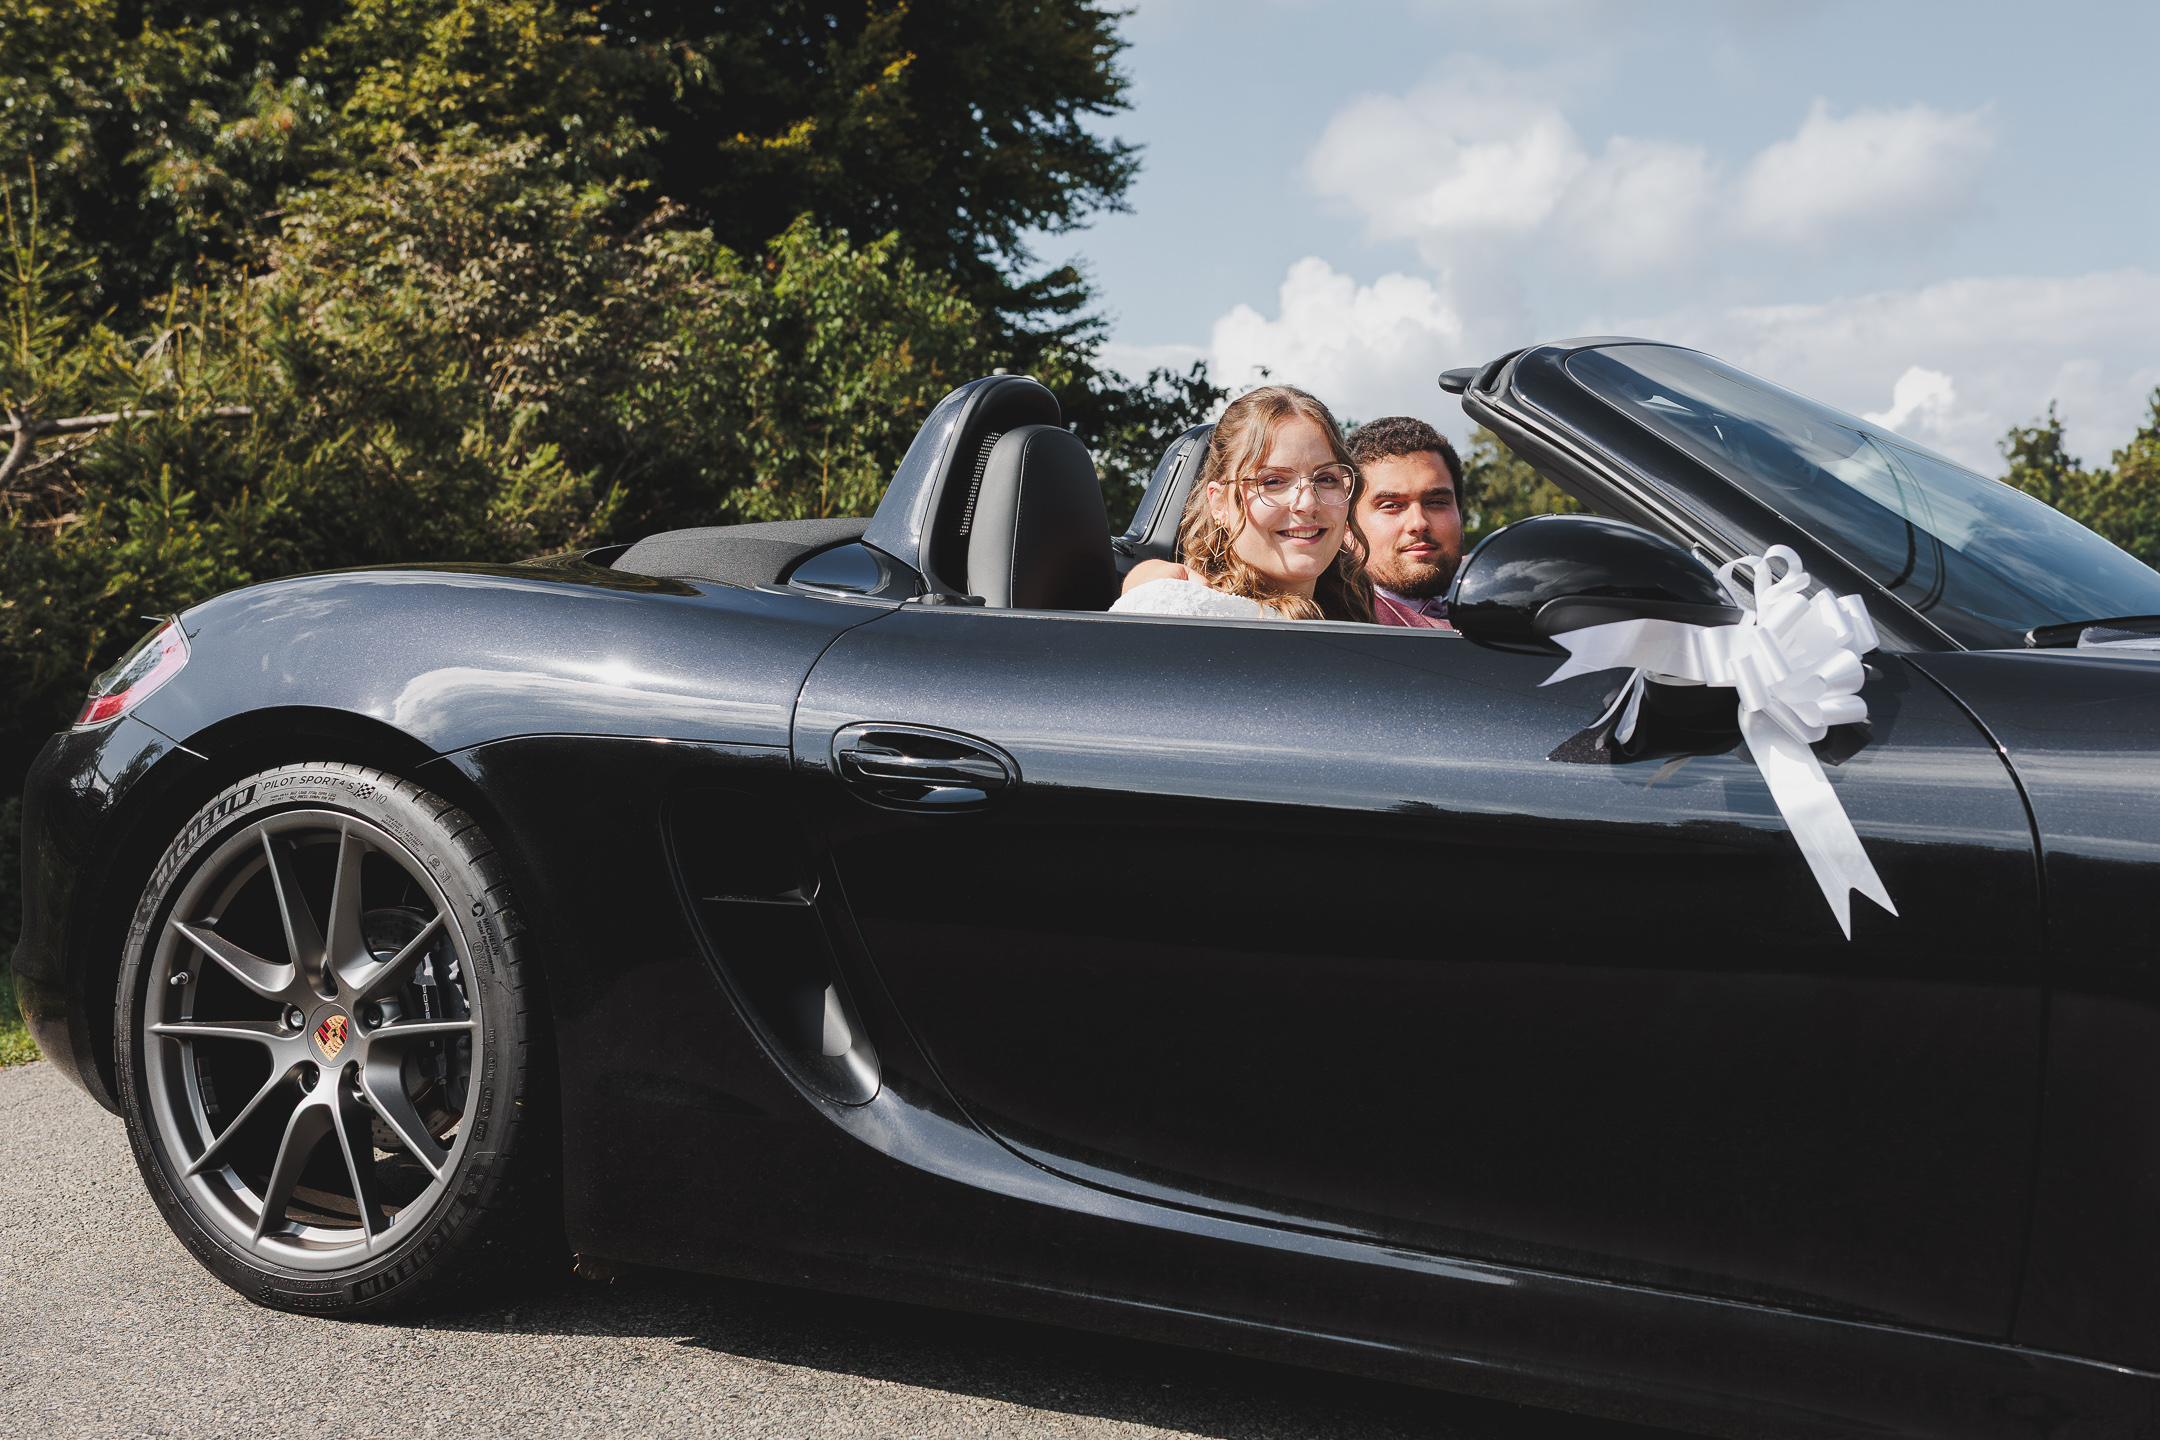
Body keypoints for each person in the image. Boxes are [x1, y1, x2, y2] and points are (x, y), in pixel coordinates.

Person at [1112, 386, 1373, 622]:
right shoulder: (1184, 614)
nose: (1308, 502)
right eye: (1273, 481)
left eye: (1327, 478)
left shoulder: (1361, 614)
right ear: (1219, 503)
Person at [1343, 416, 1465, 629]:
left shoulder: (1510, 589)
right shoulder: (1328, 620)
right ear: (1347, 528)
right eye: (1391, 505)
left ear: (1460, 515)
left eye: (1436, 502)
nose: (1419, 523)